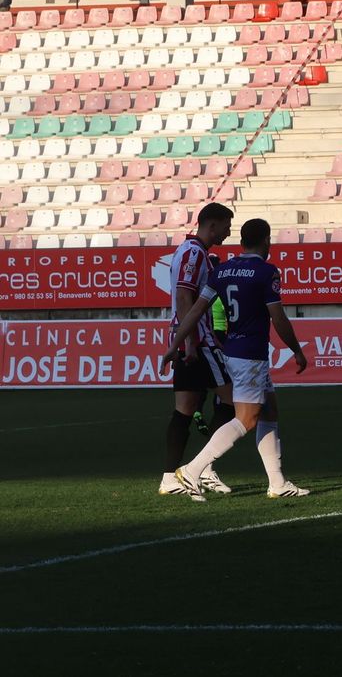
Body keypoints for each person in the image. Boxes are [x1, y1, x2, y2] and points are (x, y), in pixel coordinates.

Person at [163, 219, 308, 500]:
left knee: (268, 411)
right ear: (266, 240)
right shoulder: (267, 272)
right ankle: (192, 471)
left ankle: (277, 483)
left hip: (232, 351)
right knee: (247, 418)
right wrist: (297, 350)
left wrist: (175, 344)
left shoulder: (223, 270)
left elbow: (194, 310)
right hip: (250, 355)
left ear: (241, 241)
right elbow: (278, 317)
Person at [159, 202, 236, 498]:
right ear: (212, 225)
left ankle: (170, 477)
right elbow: (183, 295)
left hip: (190, 339)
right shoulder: (194, 252)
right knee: (233, 404)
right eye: (226, 226)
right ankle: (202, 468)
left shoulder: (193, 251)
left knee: (185, 410)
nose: (229, 232)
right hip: (200, 342)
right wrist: (190, 341)